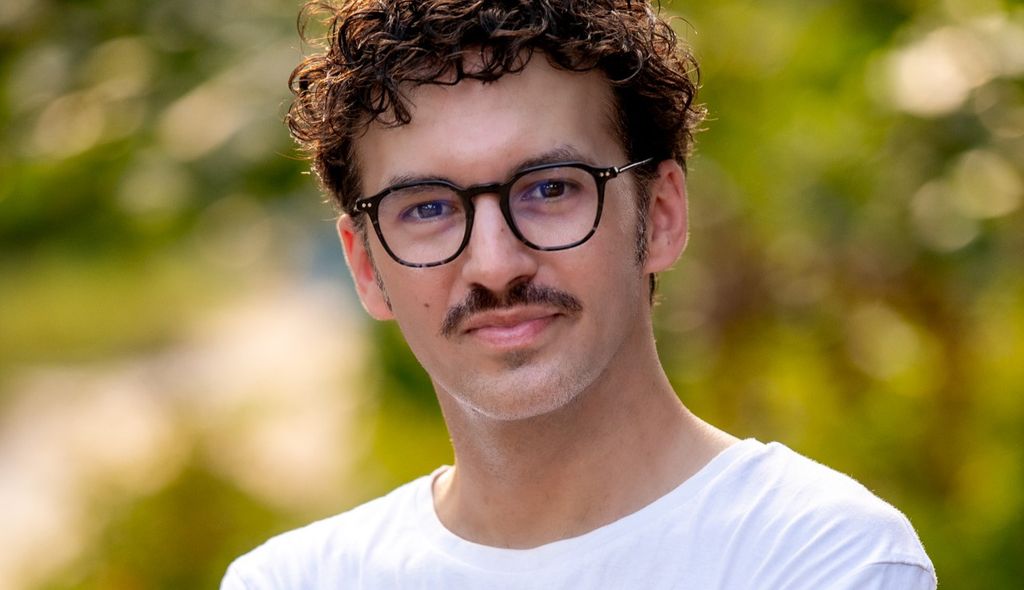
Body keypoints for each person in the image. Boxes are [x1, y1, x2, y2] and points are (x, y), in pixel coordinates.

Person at [222, 1, 936, 587]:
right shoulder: (291, 581)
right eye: (428, 207)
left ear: (661, 216)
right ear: (366, 267)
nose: (495, 265)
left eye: (550, 190)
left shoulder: (822, 558)